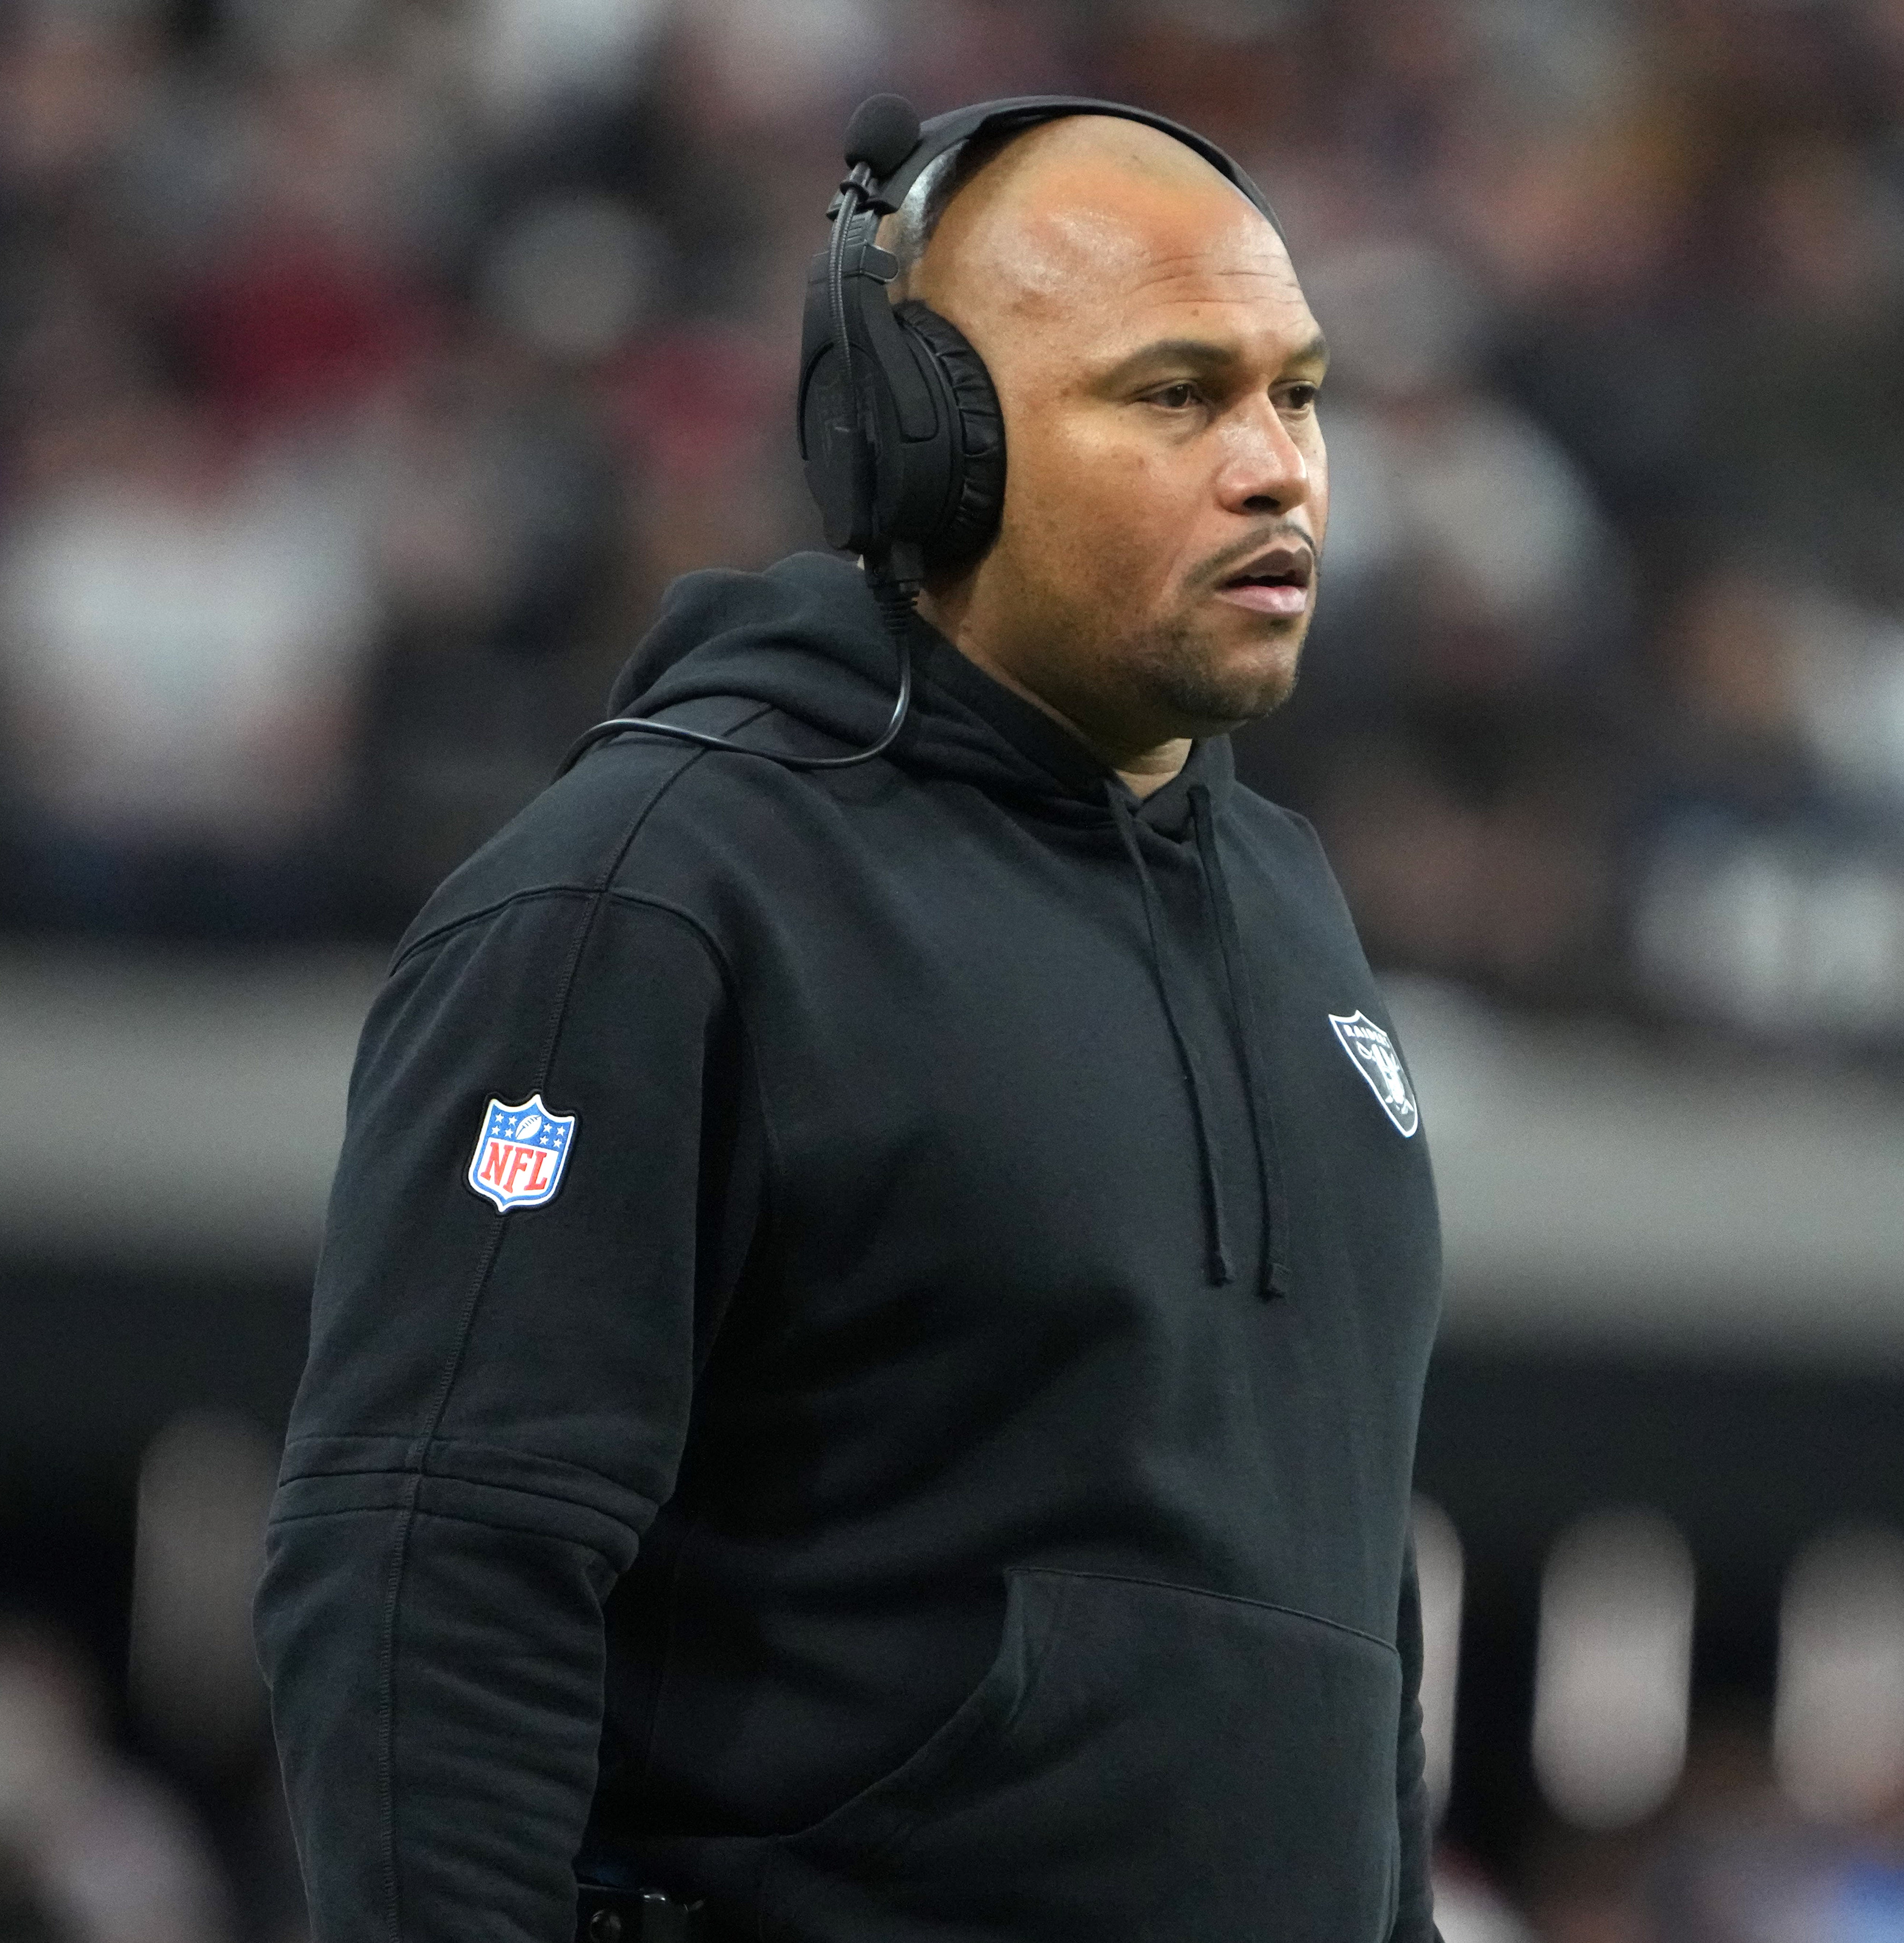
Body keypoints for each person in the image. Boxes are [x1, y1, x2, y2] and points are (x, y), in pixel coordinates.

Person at [256, 98, 1445, 1943]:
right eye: (1174, 395)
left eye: (1297, 394)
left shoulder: (1290, 910)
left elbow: (1348, 1646)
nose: (1277, 467)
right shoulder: (648, 896)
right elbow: (431, 1576)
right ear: (930, 440)